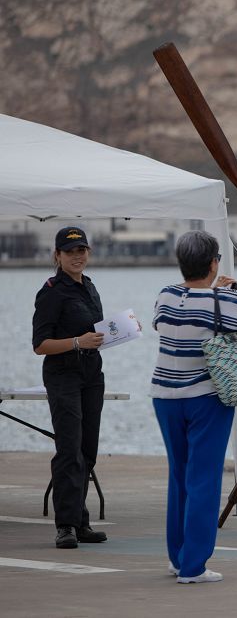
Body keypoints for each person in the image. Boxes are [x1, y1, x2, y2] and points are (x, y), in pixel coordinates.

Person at [151, 230, 237, 584]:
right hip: (205, 398)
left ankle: (178, 558)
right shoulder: (224, 301)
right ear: (213, 263)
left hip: (164, 396)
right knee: (204, 479)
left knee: (179, 475)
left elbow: (174, 319)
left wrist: (218, 291)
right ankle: (193, 567)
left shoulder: (166, 295)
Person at [32, 227, 109, 550]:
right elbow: (40, 345)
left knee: (87, 450)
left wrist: (118, 332)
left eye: (81, 251)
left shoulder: (89, 287)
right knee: (69, 449)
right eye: (69, 252)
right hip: (63, 376)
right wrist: (77, 342)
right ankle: (65, 525)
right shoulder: (51, 292)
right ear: (57, 255)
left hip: (92, 374)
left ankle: (80, 520)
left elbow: (93, 332)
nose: (77, 257)